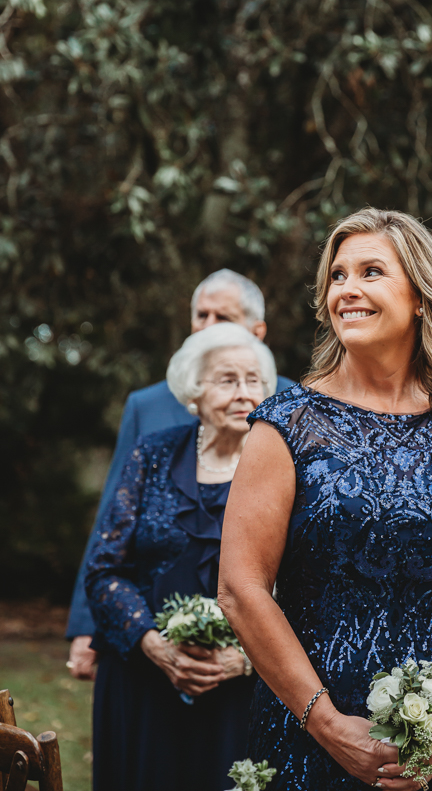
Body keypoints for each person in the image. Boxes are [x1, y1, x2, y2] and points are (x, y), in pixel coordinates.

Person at [219, 208, 432, 791]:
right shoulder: (286, 426)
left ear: (420, 296)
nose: (347, 290)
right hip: (309, 739)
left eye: (370, 272)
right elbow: (242, 588)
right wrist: (329, 725)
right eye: (337, 276)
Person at [67, 268, 294, 678]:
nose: (207, 327)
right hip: (145, 658)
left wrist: (247, 658)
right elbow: (111, 533)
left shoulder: (294, 408)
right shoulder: (147, 408)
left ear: (258, 331)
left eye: (221, 318)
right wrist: (87, 627)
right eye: (200, 315)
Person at [85, 322, 276, 791]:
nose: (243, 392)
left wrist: (244, 659)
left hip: (244, 690)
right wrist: (154, 644)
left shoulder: (281, 466)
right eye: (227, 380)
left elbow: (303, 582)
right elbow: (104, 568)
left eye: (254, 381)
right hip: (144, 680)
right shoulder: (152, 454)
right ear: (194, 391)